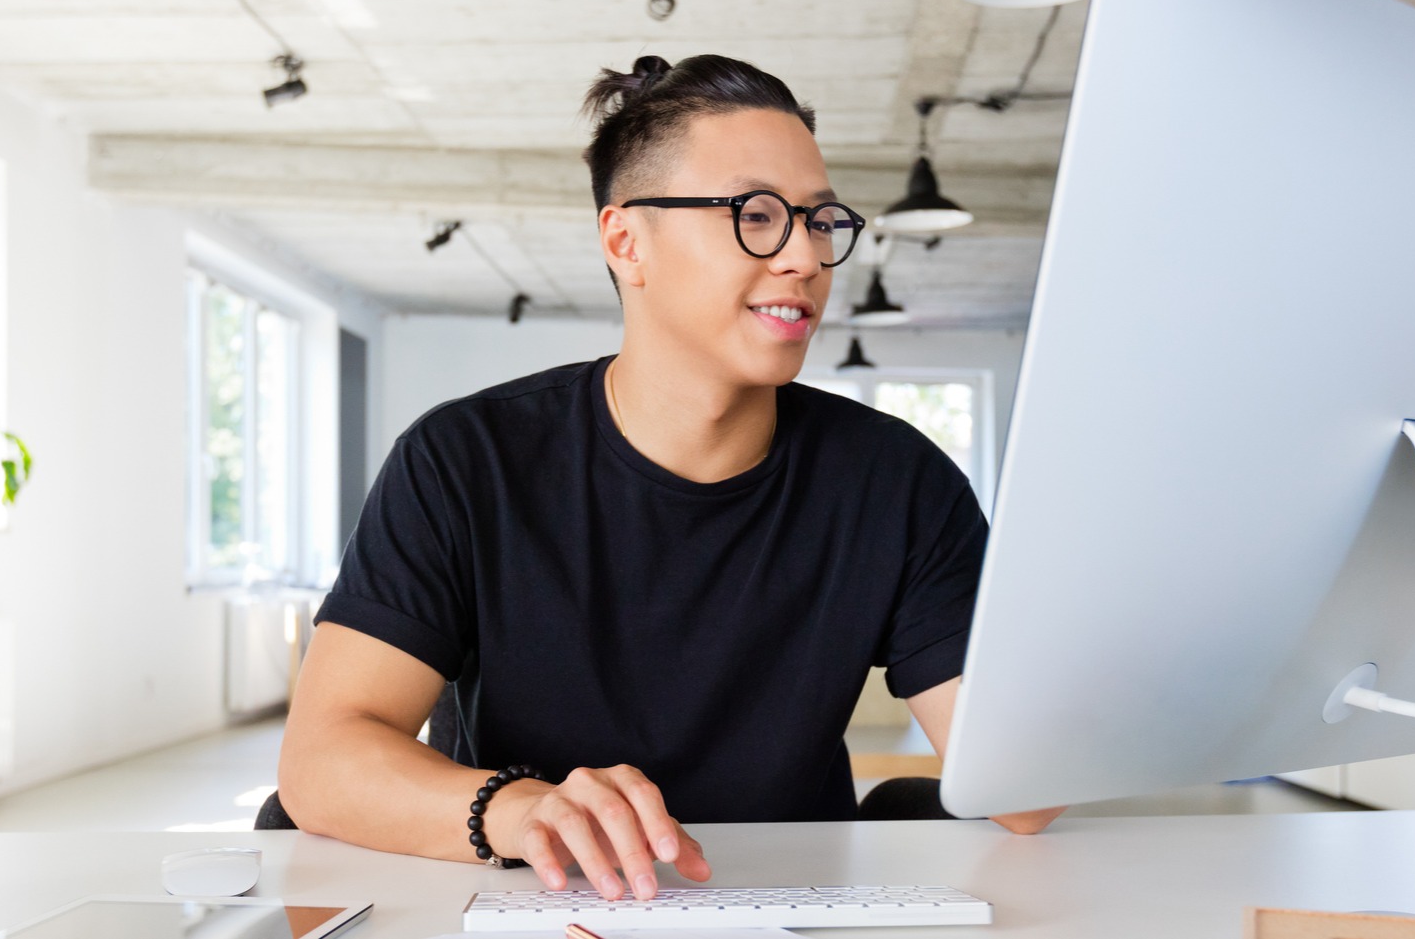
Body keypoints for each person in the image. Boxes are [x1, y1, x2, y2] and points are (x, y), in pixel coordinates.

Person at [275, 53, 1062, 904]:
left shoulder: (897, 480)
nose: (804, 255)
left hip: (789, 905)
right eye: (755, 215)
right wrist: (519, 809)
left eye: (819, 218)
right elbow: (321, 761)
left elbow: (1020, 796)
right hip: (536, 900)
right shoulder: (464, 460)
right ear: (625, 241)